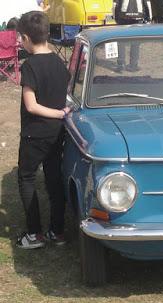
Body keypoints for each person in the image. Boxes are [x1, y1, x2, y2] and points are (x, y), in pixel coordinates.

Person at [15, 11, 71, 249]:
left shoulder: (30, 66)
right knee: (53, 180)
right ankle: (57, 232)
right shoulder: (60, 62)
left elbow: (31, 105)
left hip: (34, 134)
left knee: (26, 178)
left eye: (20, 38)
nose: (19, 42)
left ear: (27, 38)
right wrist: (61, 115)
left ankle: (34, 234)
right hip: (56, 133)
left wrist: (58, 113)